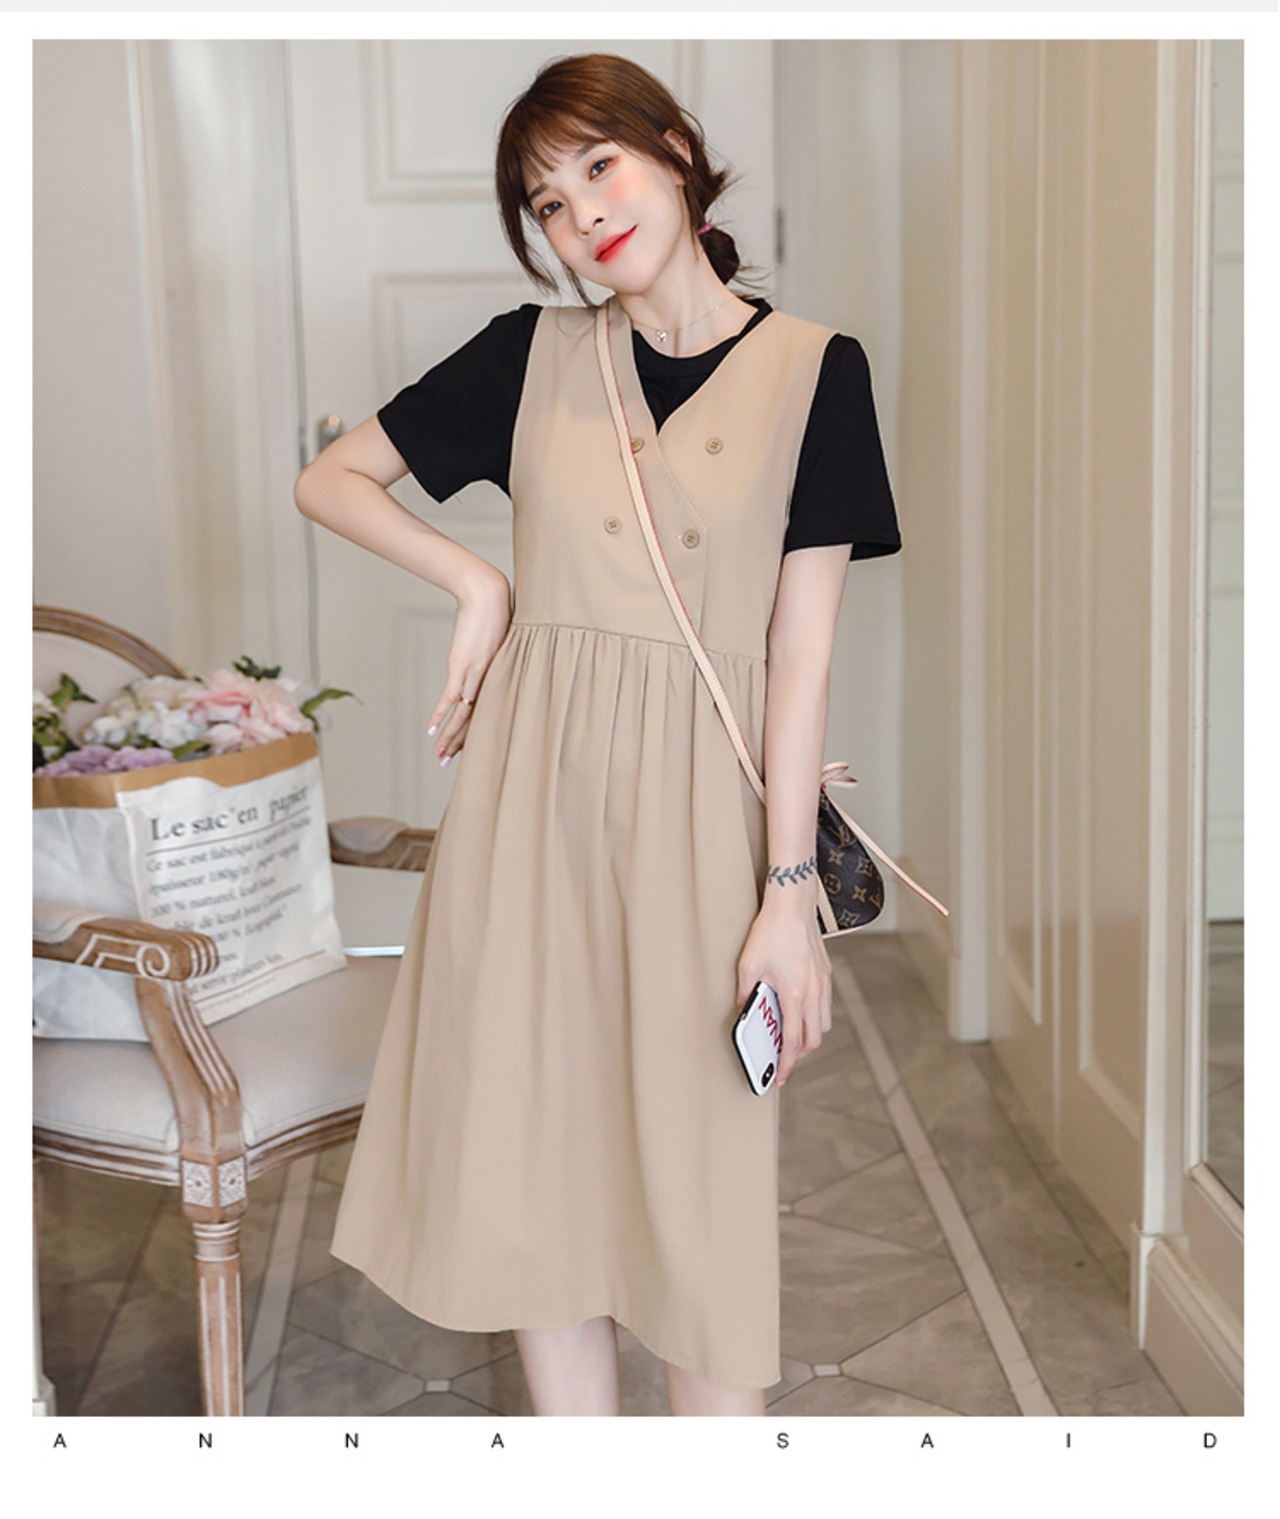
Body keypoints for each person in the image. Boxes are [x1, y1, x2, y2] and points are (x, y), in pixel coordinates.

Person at [294, 52, 901, 1417]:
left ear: (676, 149)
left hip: (702, 832)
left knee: (700, 1210)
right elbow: (331, 478)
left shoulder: (818, 373)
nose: (582, 216)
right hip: (529, 820)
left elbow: (798, 658)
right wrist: (478, 582)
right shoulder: (531, 357)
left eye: (599, 166)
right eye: (548, 203)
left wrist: (787, 895)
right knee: (541, 1193)